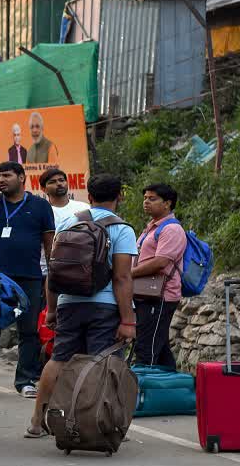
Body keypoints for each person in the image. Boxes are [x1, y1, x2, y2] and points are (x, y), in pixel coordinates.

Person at [26, 174, 137, 439]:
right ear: (119, 196)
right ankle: (96, 422)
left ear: (89, 197)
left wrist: (52, 309)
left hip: (68, 303)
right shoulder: (122, 229)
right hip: (105, 306)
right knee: (102, 364)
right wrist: (128, 320)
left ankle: (36, 421)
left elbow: (54, 272)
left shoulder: (66, 223)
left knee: (59, 360)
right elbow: (122, 277)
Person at [0, 162, 55, 400]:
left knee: (28, 330)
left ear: (22, 178)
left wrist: (52, 274)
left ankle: (25, 380)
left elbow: (49, 243)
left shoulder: (40, 206)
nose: (0, 179)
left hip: (29, 276)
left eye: (6, 175)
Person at [130, 183, 187, 370]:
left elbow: (161, 262)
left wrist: (127, 274)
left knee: (147, 348)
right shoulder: (152, 228)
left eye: (152, 199)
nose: (146, 202)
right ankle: (177, 392)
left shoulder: (171, 229)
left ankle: (142, 393)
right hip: (147, 293)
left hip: (160, 296)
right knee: (159, 347)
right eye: (145, 198)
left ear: (167, 204)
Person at [39, 168, 90, 276]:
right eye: (52, 182)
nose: (59, 184)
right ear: (44, 189)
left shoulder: (84, 208)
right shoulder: (42, 211)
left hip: (81, 269)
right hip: (48, 272)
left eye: (61, 180)